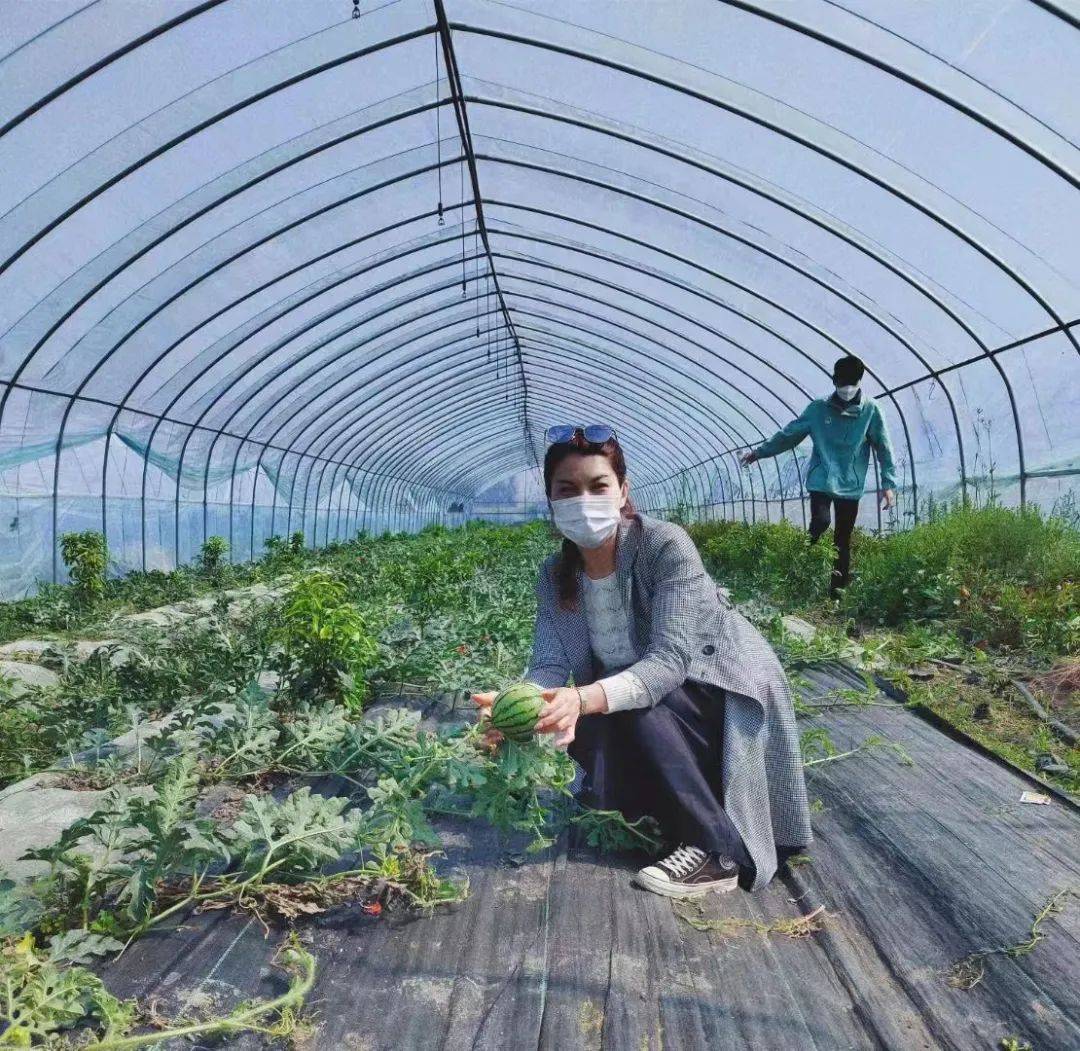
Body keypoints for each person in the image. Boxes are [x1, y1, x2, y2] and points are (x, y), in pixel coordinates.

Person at [472, 425, 812, 899]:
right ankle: (673, 814)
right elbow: (548, 664)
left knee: (634, 705)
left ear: (623, 491)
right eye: (566, 490)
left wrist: (582, 697)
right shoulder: (556, 575)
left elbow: (669, 662)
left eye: (597, 486)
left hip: (716, 687)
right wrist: (515, 705)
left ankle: (719, 851)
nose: (582, 500)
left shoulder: (663, 546)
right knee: (591, 742)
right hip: (641, 695)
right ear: (550, 500)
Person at [741, 355, 897, 598]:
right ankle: (798, 564)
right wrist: (759, 453)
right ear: (834, 381)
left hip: (851, 483)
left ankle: (836, 594)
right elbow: (789, 434)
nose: (845, 388)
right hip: (821, 480)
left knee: (842, 539)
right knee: (821, 522)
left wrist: (888, 484)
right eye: (841, 382)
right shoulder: (818, 409)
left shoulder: (871, 410)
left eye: (850, 382)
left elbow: (884, 446)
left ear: (859, 381)